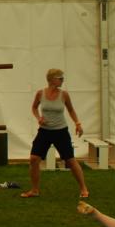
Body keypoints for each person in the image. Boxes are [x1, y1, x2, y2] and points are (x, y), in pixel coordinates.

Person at [20, 68, 90, 199]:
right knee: (34, 159)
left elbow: (71, 110)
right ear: (52, 79)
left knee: (70, 160)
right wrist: (38, 118)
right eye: (60, 78)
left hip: (60, 132)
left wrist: (78, 124)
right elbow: (34, 108)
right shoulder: (40, 93)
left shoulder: (64, 95)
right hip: (44, 132)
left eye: (62, 78)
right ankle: (34, 190)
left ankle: (83, 188)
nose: (62, 80)